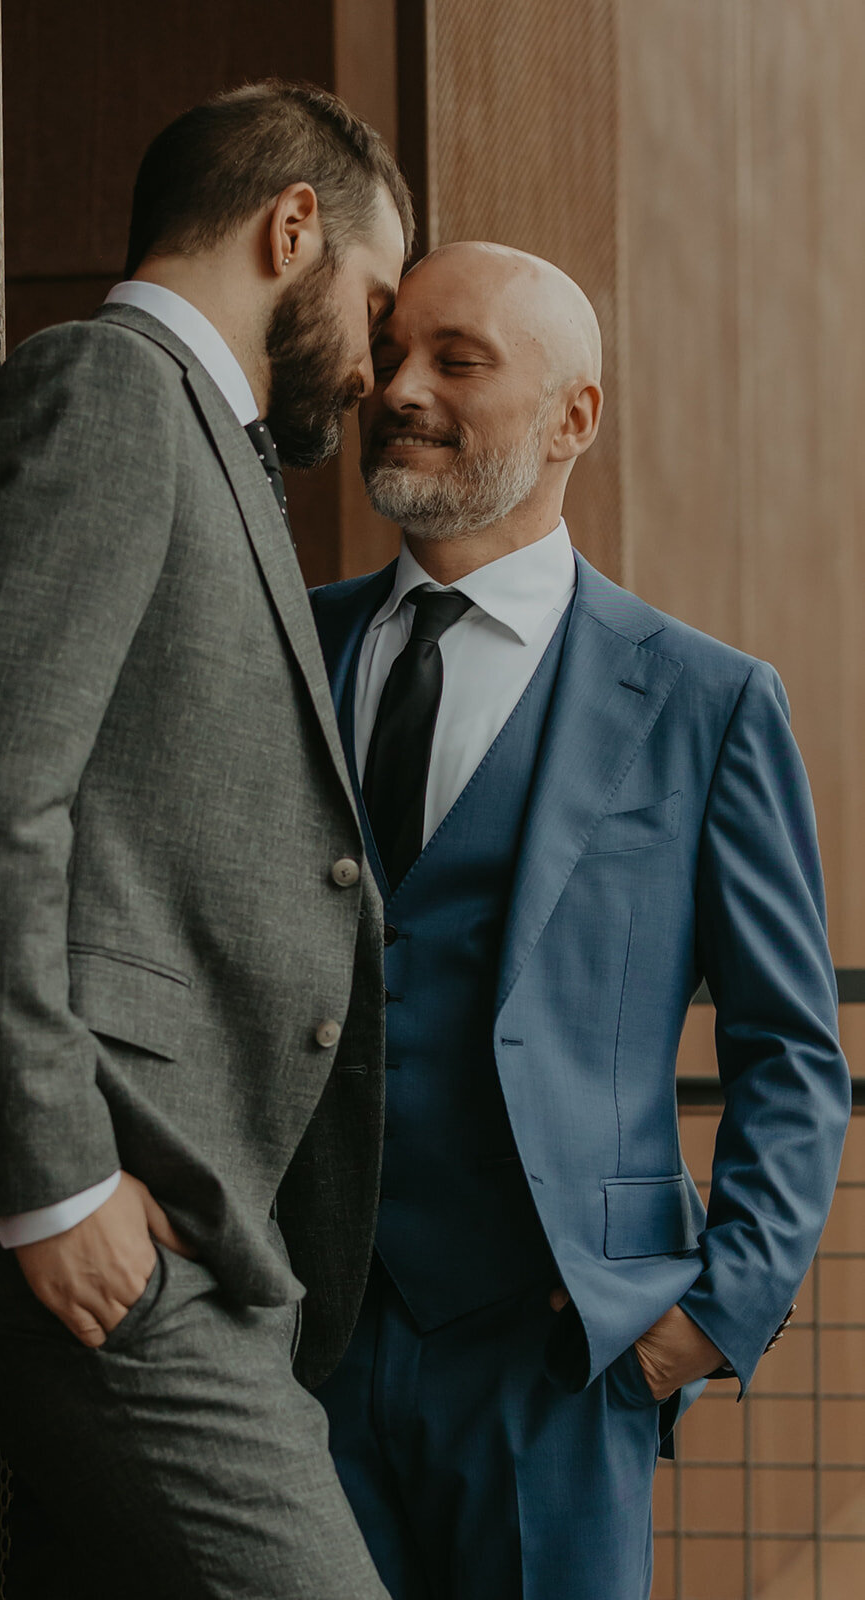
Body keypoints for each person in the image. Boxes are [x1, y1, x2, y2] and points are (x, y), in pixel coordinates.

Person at [0, 81, 412, 1600]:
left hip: (200, 1233)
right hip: (114, 1220)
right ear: (290, 227)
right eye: (376, 303)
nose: (374, 364)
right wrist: (48, 1180)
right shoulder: (106, 391)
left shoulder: (203, 439)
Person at [310, 241, 850, 1600]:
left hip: (552, 1361)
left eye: (460, 361)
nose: (401, 389)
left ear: (573, 418)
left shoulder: (705, 703)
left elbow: (791, 1050)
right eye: (396, 352)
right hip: (294, 1349)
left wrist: (710, 1315)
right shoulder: (288, 648)